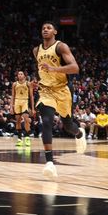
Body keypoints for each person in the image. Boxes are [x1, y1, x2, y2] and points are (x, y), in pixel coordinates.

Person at [33, 21, 86, 180]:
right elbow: (42, 69)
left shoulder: (61, 47)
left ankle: (79, 133)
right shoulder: (36, 50)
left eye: (49, 28)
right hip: (46, 91)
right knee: (47, 121)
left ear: (55, 31)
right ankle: (50, 163)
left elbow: (75, 68)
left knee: (68, 125)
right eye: (43, 28)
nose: (45, 30)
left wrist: (53, 69)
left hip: (62, 89)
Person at [11, 71, 35, 147]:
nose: (20, 75)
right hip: (17, 101)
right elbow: (13, 96)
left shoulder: (28, 84)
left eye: (21, 74)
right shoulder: (14, 84)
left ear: (24, 76)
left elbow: (31, 96)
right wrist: (11, 107)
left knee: (26, 119)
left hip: (25, 101)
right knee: (17, 121)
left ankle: (27, 137)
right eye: (18, 74)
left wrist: (33, 108)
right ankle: (19, 139)